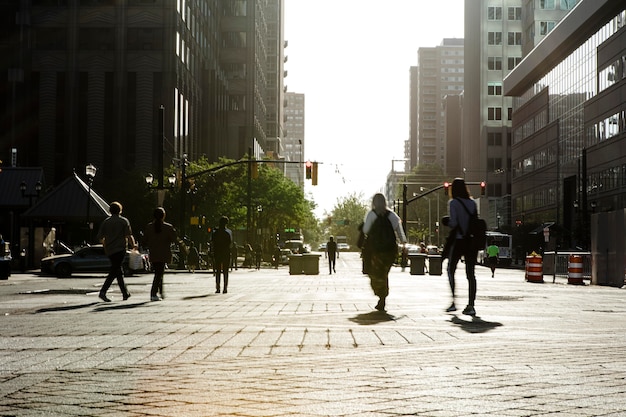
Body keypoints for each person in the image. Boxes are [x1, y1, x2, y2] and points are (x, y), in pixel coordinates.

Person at [362, 193, 407, 312]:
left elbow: (366, 230)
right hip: (390, 250)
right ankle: (383, 297)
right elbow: (400, 231)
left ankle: (381, 295)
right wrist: (403, 243)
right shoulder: (392, 215)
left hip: (376, 250)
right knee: (384, 273)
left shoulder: (371, 214)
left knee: (375, 274)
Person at [442, 178, 478, 316]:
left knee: (451, 269)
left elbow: (454, 223)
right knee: (471, 274)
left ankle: (453, 301)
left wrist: (446, 221)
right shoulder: (472, 203)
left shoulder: (453, 203)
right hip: (471, 241)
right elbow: (474, 221)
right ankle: (471, 304)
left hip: (459, 240)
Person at [96, 202, 136, 302]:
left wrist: (105, 244)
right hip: (120, 248)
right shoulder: (123, 221)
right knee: (115, 270)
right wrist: (133, 245)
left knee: (117, 270)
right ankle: (104, 291)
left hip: (110, 249)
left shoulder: (106, 222)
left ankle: (125, 293)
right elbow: (128, 235)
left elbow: (100, 237)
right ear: (120, 210)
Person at [143, 207, 178, 301]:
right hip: (164, 252)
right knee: (159, 273)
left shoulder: (149, 227)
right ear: (164, 216)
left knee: (158, 273)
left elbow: (145, 239)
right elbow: (174, 239)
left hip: (153, 252)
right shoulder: (168, 227)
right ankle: (154, 293)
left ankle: (161, 291)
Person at [212, 216, 232, 293]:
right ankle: (225, 287)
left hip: (218, 252)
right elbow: (229, 242)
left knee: (218, 271)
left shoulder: (215, 232)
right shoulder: (228, 232)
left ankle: (218, 287)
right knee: (225, 271)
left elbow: (213, 243)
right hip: (226, 253)